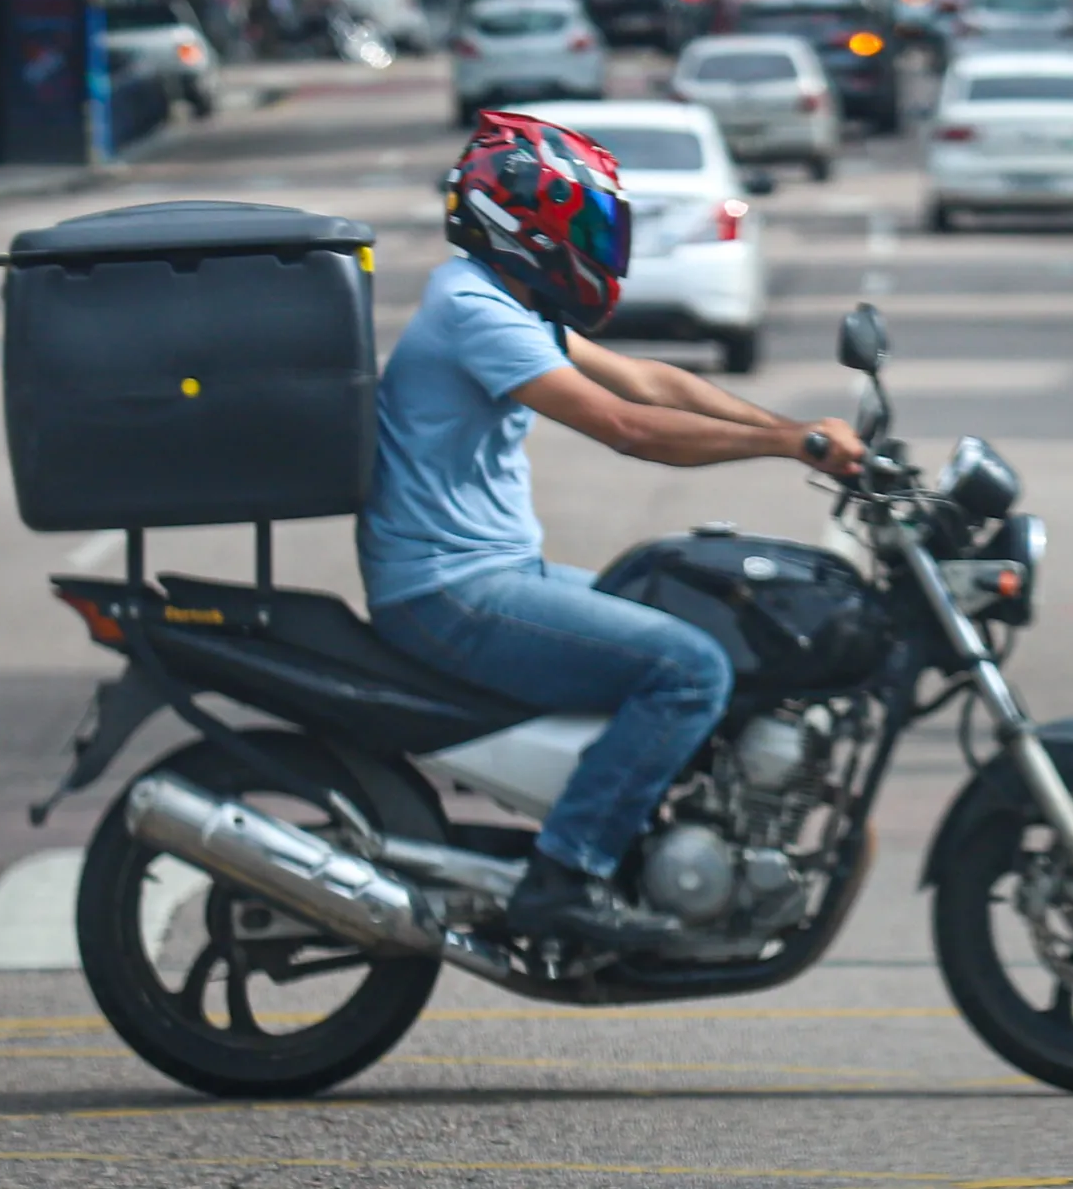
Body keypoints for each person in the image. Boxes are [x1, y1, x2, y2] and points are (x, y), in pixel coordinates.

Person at [359, 112, 866, 950]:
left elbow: (647, 378)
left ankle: (652, 830)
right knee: (688, 667)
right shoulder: (472, 308)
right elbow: (626, 426)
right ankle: (568, 873)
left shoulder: (499, 296)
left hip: (490, 571)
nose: (594, 242)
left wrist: (794, 427)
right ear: (525, 223)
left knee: (695, 622)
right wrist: (788, 444)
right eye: (583, 223)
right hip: (449, 590)